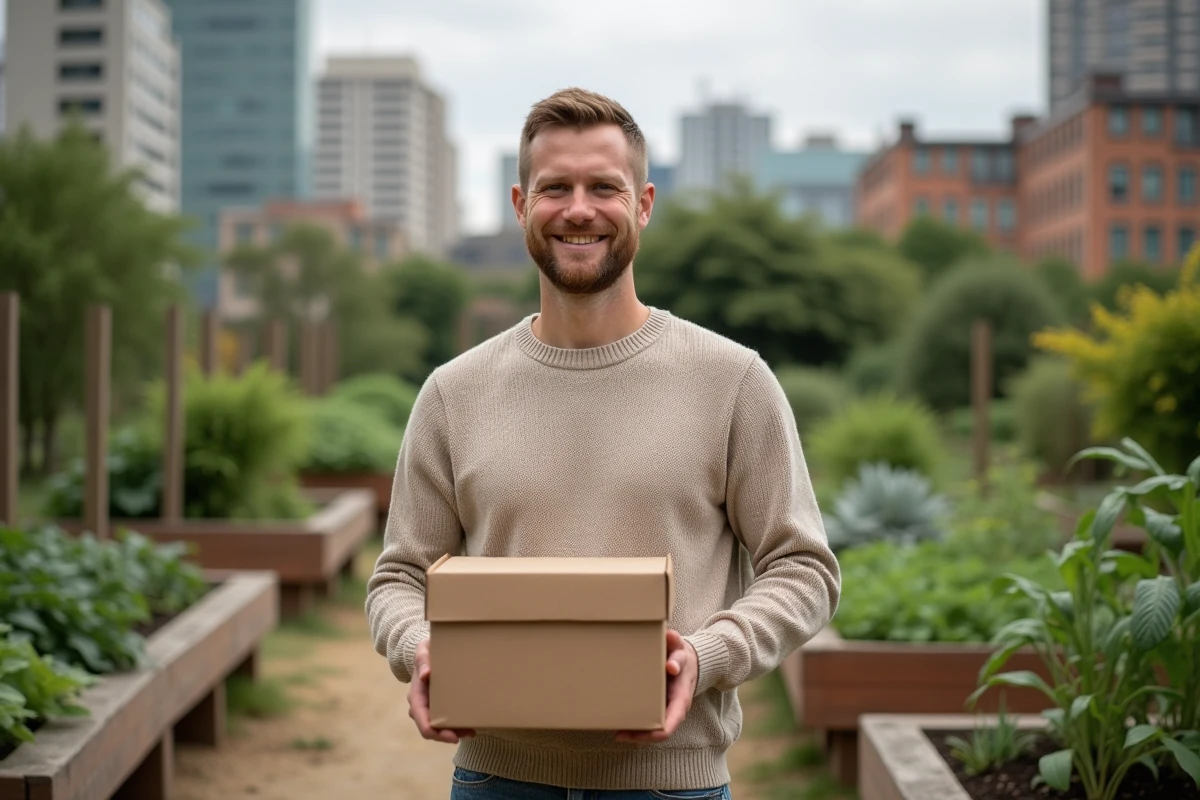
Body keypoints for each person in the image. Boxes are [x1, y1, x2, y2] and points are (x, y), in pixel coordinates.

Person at [365, 87, 841, 800]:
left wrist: (704, 657)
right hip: (497, 780)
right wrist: (419, 648)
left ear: (644, 204)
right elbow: (399, 578)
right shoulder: (453, 393)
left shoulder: (733, 381)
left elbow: (804, 568)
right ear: (522, 203)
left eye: (604, 188)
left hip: (672, 785)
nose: (579, 209)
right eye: (556, 187)